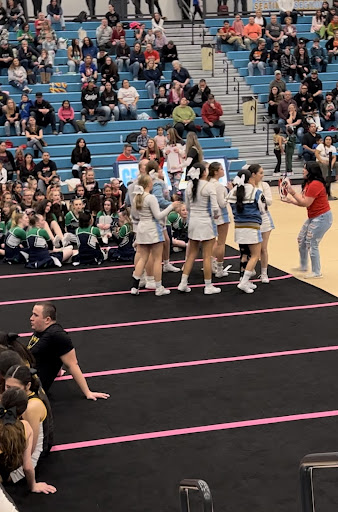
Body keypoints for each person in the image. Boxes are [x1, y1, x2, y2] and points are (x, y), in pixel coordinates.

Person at [28, 302, 110, 398]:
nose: (31, 318)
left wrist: (88, 392)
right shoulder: (41, 330)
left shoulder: (57, 335)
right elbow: (51, 351)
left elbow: (72, 364)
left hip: (31, 384)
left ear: (47, 320)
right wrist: (58, 371)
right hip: (27, 372)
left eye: (35, 315)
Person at [130, 174, 179, 296]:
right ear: (148, 184)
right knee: (157, 259)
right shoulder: (150, 198)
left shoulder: (136, 197)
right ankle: (159, 287)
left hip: (142, 228)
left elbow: (135, 215)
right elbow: (158, 216)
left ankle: (134, 287)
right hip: (152, 229)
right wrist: (171, 206)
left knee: (143, 257)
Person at [0, 388, 56, 493]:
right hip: (7, 475)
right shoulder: (25, 427)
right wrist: (33, 485)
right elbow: (27, 467)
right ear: (23, 411)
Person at [177, 163, 221, 295]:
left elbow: (188, 206)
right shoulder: (209, 186)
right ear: (204, 173)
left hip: (193, 222)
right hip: (205, 222)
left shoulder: (189, 186)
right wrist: (216, 217)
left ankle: (183, 283)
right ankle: (208, 285)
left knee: (191, 255)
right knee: (207, 256)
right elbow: (215, 208)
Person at [285, 162, 333, 278]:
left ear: (311, 171)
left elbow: (305, 202)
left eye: (305, 169)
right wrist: (291, 200)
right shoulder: (308, 183)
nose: (303, 170)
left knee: (312, 243)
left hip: (322, 217)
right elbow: (304, 202)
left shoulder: (315, 184)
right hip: (314, 217)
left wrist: (292, 193)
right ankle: (303, 265)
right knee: (301, 239)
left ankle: (317, 272)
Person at [227, 169, 266, 293]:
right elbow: (263, 209)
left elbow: (225, 202)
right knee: (255, 255)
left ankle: (245, 280)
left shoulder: (233, 191)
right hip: (252, 227)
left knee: (245, 254)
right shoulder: (256, 192)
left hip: (238, 228)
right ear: (250, 179)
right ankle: (244, 282)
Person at [249, 164, 274, 283]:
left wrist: (260, 195)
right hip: (251, 219)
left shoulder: (264, 186)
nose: (262, 175)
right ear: (253, 174)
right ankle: (250, 269)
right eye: (261, 173)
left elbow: (270, 201)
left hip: (264, 219)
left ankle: (264, 273)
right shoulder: (246, 187)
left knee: (263, 248)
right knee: (251, 248)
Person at [207, 162, 230, 278]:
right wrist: (230, 193)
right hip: (221, 215)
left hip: (210, 215)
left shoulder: (207, 184)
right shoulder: (219, 186)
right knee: (221, 243)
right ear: (216, 172)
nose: (223, 170)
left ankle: (210, 264)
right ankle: (219, 268)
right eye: (221, 169)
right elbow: (222, 203)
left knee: (212, 242)